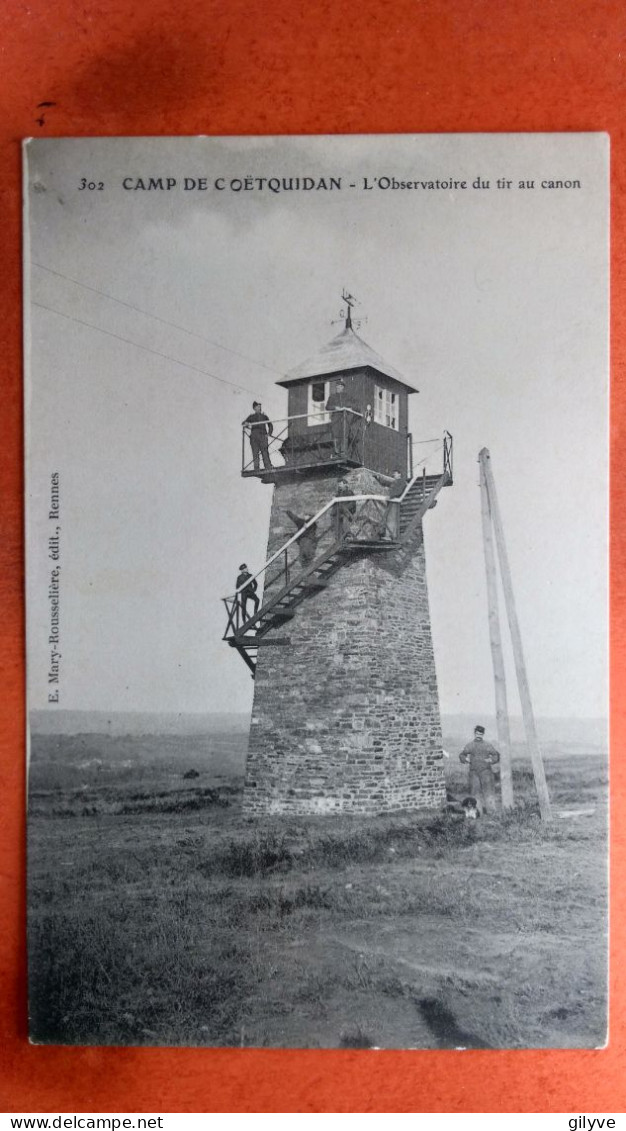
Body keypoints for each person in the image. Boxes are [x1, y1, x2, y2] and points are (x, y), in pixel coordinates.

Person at [459, 725, 500, 814]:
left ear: (483, 734)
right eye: (477, 733)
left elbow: (496, 755)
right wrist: (466, 759)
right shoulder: (470, 745)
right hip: (474, 773)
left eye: (480, 734)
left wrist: (491, 760)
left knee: (489, 792)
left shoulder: (487, 745)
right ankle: (477, 812)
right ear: (474, 733)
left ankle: (491, 812)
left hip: (486, 772)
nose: (478, 735)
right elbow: (462, 755)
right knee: (475, 793)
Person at [372, 469, 406, 538]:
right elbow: (385, 483)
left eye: (395, 473)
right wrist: (378, 478)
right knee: (387, 518)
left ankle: (390, 535)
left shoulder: (401, 482)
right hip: (391, 502)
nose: (394, 475)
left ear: (399, 474)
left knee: (391, 519)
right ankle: (388, 535)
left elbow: (399, 491)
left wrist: (391, 496)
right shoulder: (394, 482)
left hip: (395, 502)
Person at [243, 401, 273, 471]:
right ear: (254, 408)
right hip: (254, 436)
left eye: (260, 406)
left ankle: (268, 466)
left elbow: (270, 425)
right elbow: (243, 423)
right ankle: (256, 468)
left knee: (264, 451)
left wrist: (269, 433)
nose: (259, 408)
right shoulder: (251, 417)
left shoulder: (264, 416)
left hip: (262, 435)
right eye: (258, 406)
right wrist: (246, 423)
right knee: (255, 452)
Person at [325, 379, 351, 458]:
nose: (338, 388)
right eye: (337, 387)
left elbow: (353, 405)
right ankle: (337, 453)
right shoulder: (332, 397)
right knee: (336, 435)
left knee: (344, 434)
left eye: (340, 386)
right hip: (335, 418)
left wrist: (348, 408)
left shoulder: (347, 397)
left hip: (344, 417)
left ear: (343, 387)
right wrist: (335, 407)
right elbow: (327, 407)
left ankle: (343, 453)